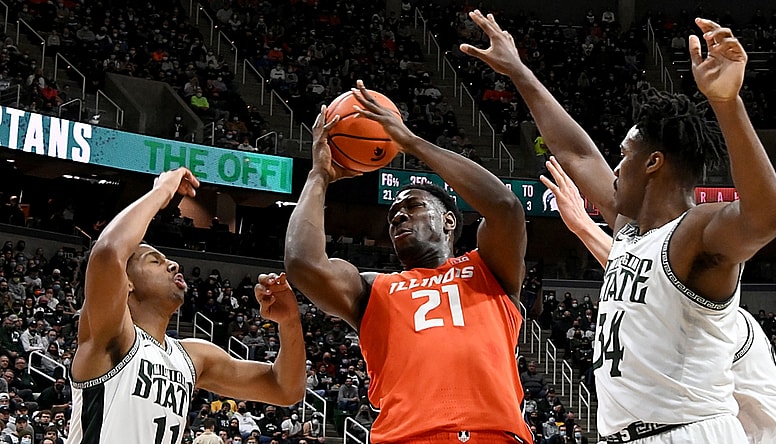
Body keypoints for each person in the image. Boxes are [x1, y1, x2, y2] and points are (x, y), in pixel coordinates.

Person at [462, 11, 776, 443]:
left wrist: (727, 103)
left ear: (653, 163)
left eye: (625, 155)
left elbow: (763, 220)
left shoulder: (694, 233)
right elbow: (577, 154)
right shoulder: (632, 229)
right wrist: (520, 72)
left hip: (689, 432)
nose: (615, 166)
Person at [285, 80, 530, 443]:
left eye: (412, 207)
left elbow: (505, 208)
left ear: (448, 221)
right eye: (392, 214)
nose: (398, 217)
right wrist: (319, 174)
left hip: (495, 435)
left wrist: (410, 141)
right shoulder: (373, 288)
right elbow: (303, 263)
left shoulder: (488, 268)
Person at [541, 156, 776, 444]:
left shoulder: (723, 320)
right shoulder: (661, 274)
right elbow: (639, 274)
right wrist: (583, 226)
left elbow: (648, 278)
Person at [66, 168, 306, 443]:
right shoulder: (110, 336)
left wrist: (289, 322)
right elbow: (109, 251)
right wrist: (162, 191)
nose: (173, 264)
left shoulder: (193, 357)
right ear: (126, 282)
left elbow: (286, 389)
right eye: (154, 261)